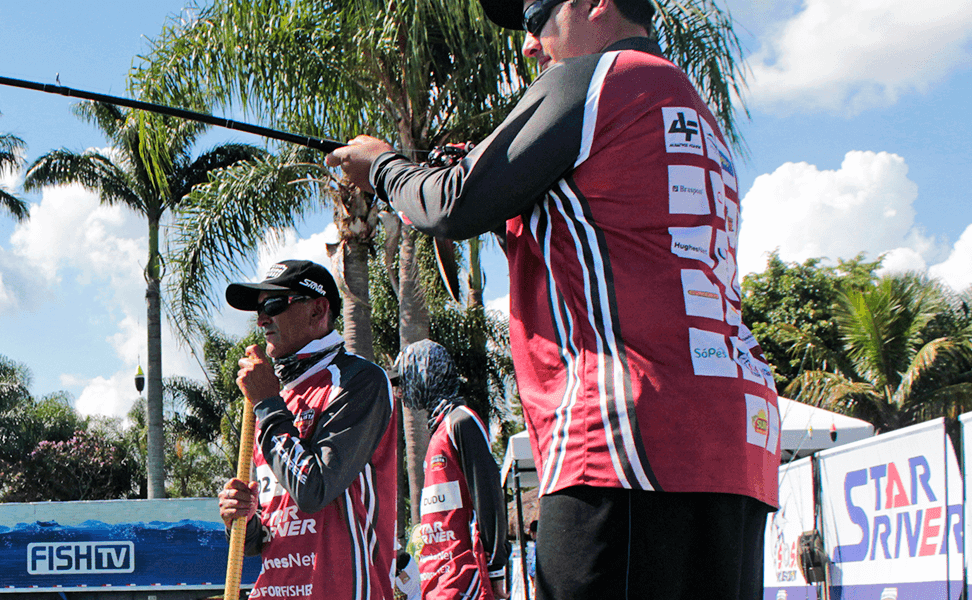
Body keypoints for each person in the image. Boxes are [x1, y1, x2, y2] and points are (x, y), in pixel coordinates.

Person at [326, 0, 781, 598]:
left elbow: (449, 204)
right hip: (734, 447)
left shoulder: (599, 78)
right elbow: (605, 234)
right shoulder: (688, 106)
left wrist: (382, 167)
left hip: (626, 442)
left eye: (539, 18)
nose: (529, 44)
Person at [215, 259, 398, 600]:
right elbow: (264, 539)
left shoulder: (359, 381)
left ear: (318, 310)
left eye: (273, 304)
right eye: (258, 309)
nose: (262, 318)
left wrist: (268, 403)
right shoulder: (273, 396)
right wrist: (243, 518)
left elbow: (313, 489)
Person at [395, 340, 508, 600]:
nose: (401, 391)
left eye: (405, 378)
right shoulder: (438, 431)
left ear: (425, 373)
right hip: (437, 579)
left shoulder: (462, 421)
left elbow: (488, 494)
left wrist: (496, 570)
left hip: (466, 577)